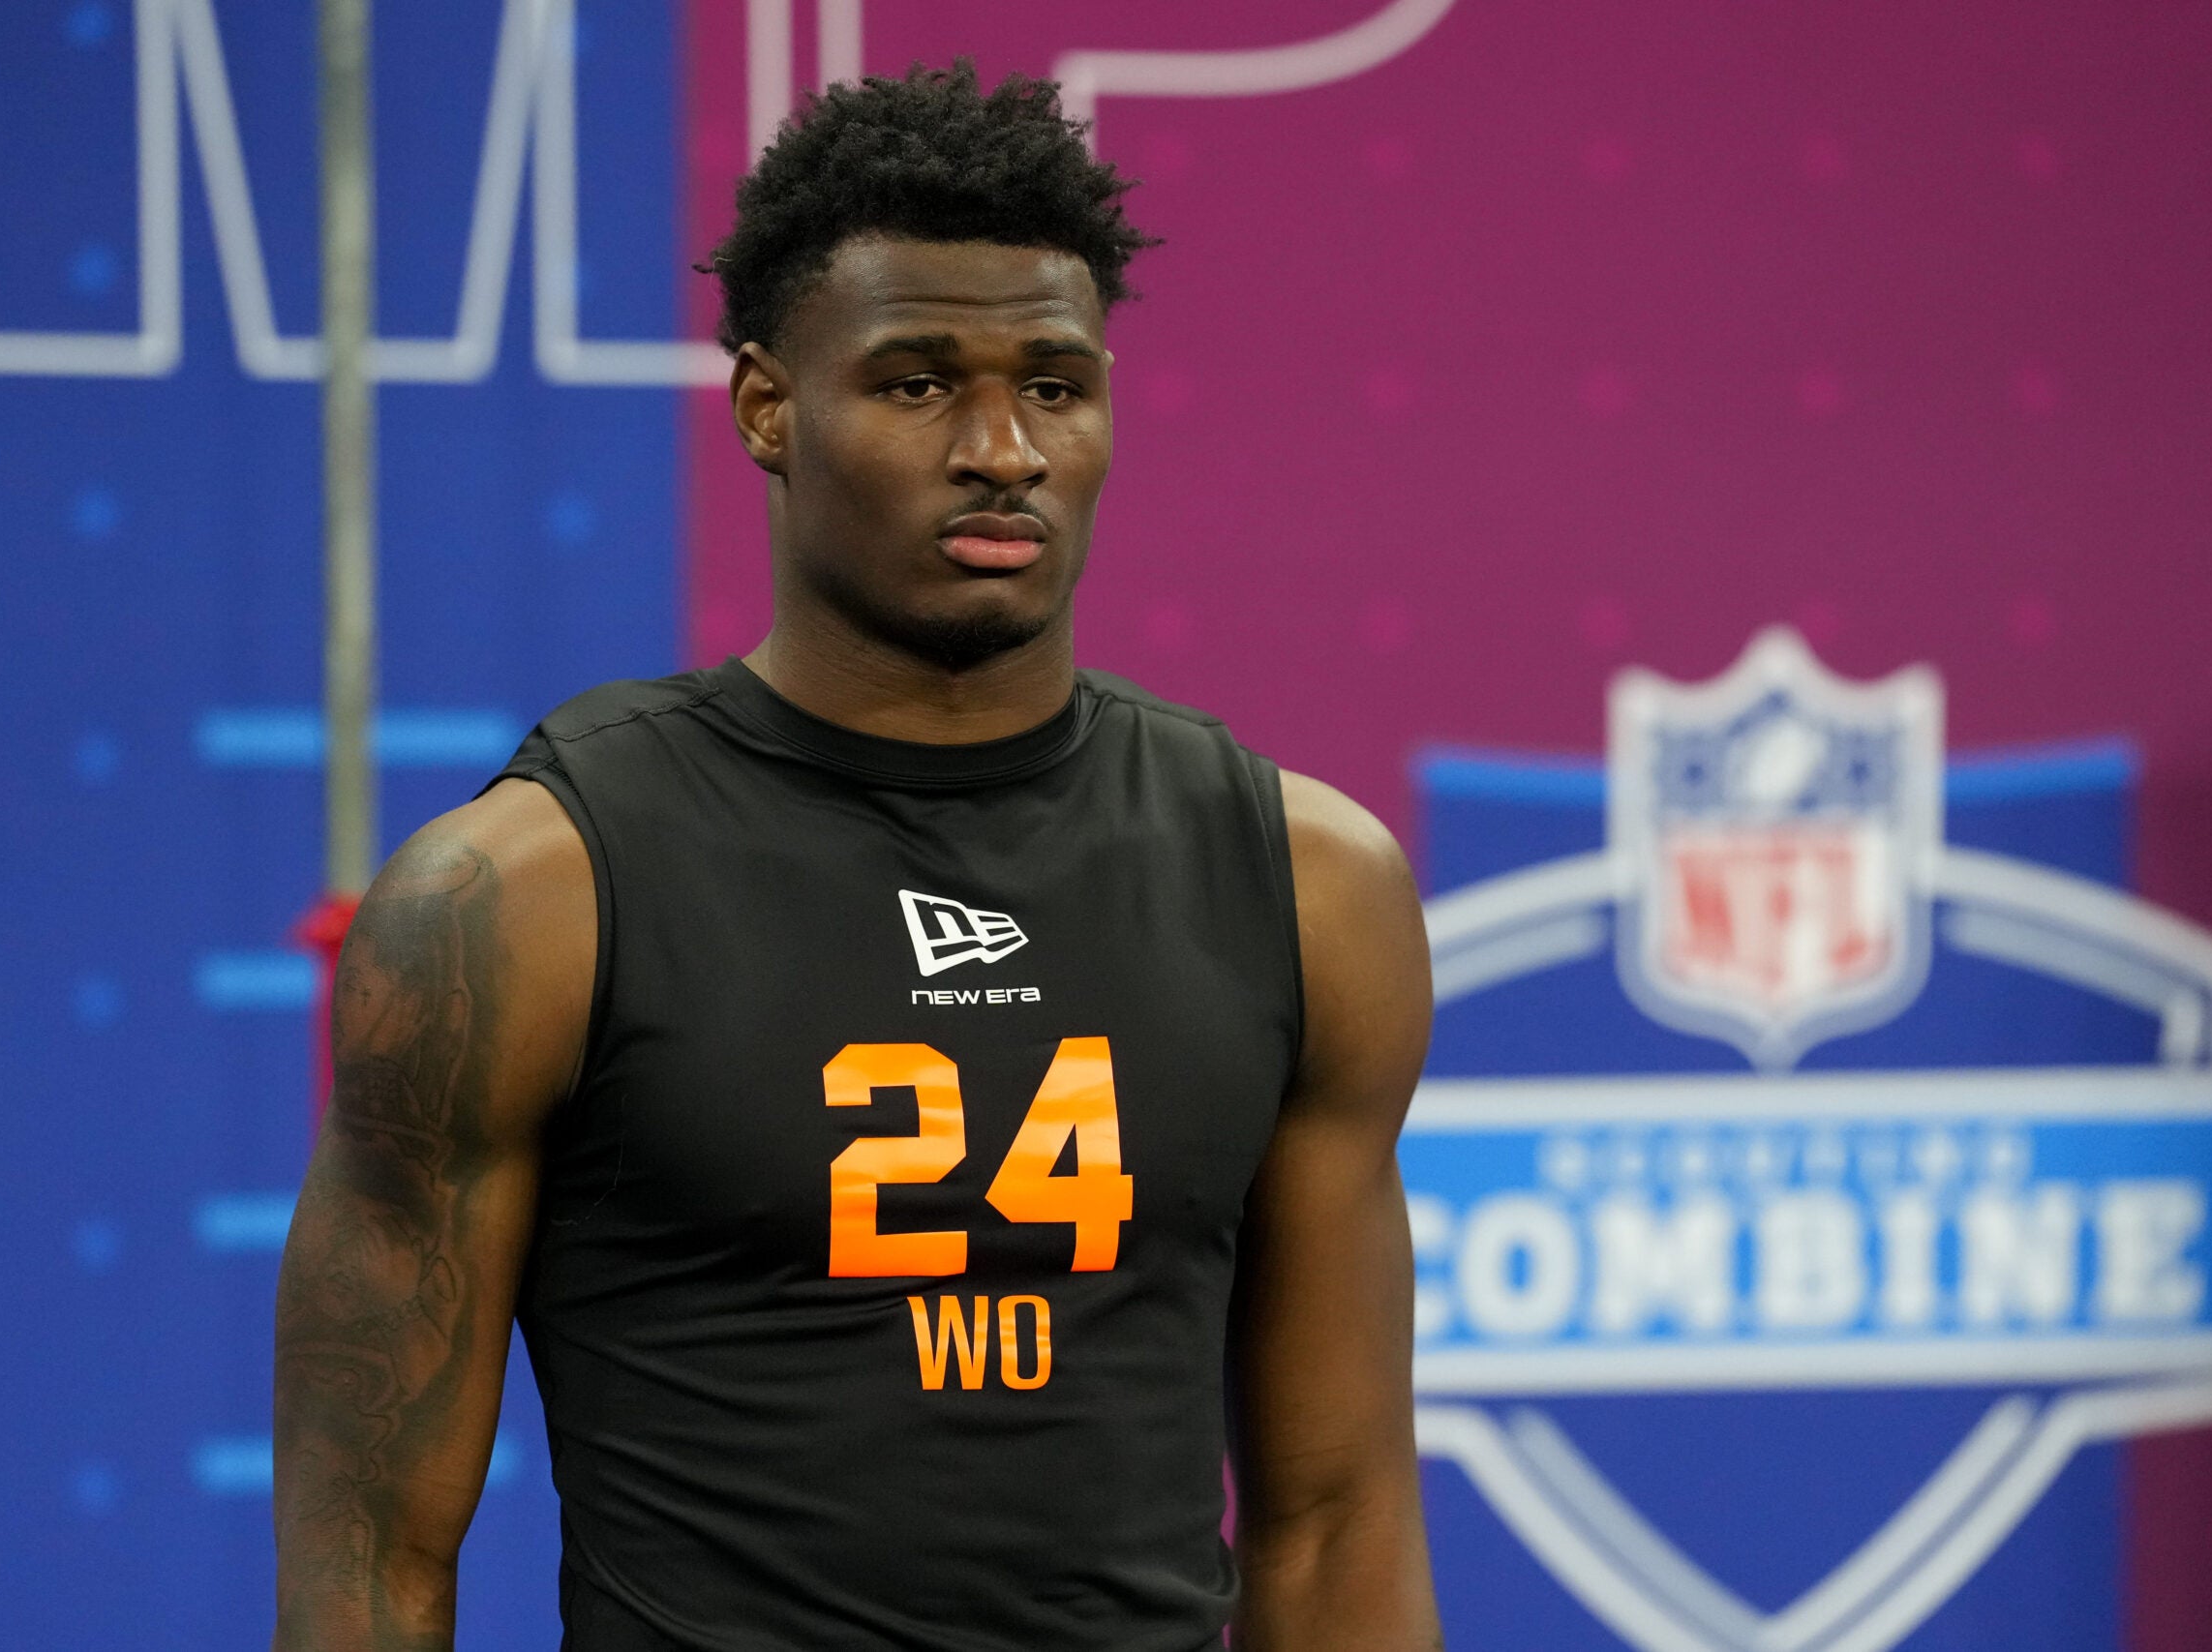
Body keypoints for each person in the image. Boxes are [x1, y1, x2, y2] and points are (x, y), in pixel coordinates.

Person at [272, 62, 1439, 1652]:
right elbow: (372, 1565)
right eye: (913, 383)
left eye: (1054, 383)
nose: (1001, 448)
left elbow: (1334, 1521)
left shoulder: (1307, 886)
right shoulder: (523, 901)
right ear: (769, 407)